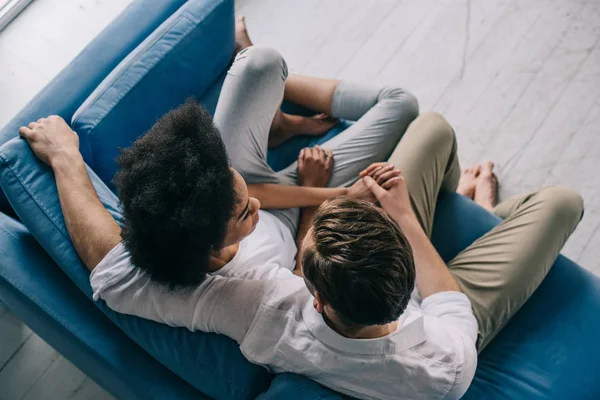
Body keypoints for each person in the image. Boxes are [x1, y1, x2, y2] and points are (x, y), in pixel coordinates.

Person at [18, 20, 584, 400]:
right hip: (436, 302)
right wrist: (404, 219)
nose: (257, 202)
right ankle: (481, 204)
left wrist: (67, 157)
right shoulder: (442, 367)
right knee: (561, 201)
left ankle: (285, 120)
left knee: (408, 117)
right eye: (244, 212)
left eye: (238, 186)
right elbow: (445, 306)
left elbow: (107, 265)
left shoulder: (249, 302)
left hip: (363, 259)